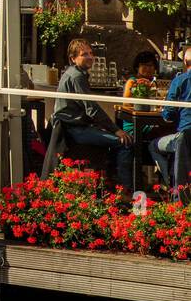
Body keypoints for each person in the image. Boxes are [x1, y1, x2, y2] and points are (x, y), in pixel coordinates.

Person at [49, 38, 135, 192]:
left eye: (91, 53)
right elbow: (92, 109)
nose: (90, 57)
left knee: (116, 141)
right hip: (73, 130)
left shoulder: (75, 73)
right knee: (125, 142)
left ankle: (110, 182)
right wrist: (116, 130)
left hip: (72, 127)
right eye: (84, 54)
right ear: (73, 58)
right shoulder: (77, 76)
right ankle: (125, 190)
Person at [154, 47, 191, 191]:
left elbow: (168, 115)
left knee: (153, 145)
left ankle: (168, 184)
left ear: (185, 62)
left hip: (186, 136)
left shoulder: (181, 80)